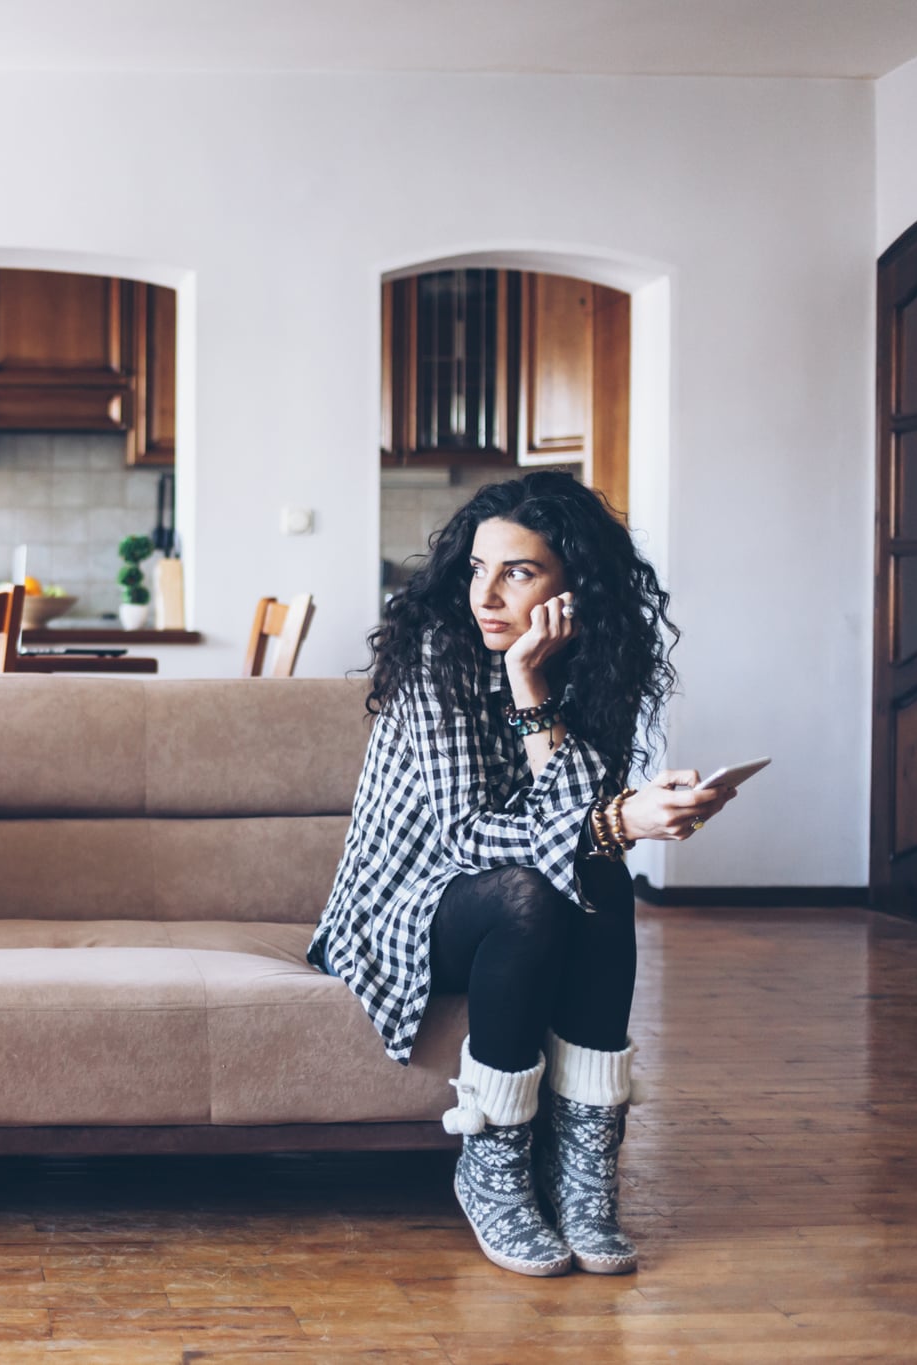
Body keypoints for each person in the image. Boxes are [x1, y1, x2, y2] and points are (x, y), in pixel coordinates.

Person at [308, 470, 737, 1278]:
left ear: (575, 585)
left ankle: (582, 1171)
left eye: (519, 571)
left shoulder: (588, 665)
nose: (488, 595)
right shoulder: (440, 661)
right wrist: (616, 814)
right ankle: (493, 1165)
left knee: (598, 873)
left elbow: (570, 824)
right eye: (478, 569)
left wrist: (536, 687)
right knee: (541, 882)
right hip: (401, 906)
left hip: (510, 890)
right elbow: (470, 835)